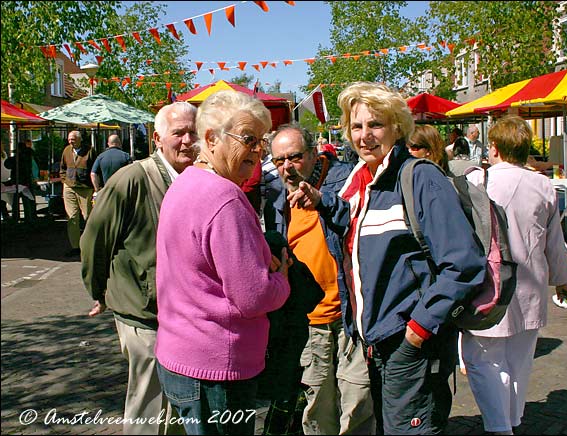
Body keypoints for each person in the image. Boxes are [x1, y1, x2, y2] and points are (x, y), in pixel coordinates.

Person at [287, 81, 487, 434]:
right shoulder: (360, 181)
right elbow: (358, 224)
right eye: (357, 126)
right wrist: (322, 202)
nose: (365, 135)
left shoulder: (420, 178)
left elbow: (463, 264)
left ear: (397, 126)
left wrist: (417, 331)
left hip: (409, 345)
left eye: (375, 124)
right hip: (374, 344)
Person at [154, 90, 291, 436]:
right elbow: (253, 297)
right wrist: (282, 278)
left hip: (180, 357)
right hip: (216, 369)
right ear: (212, 138)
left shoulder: (185, 183)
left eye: (261, 141)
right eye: (248, 139)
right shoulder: (224, 197)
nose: (258, 150)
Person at [80, 101, 199, 435]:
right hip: (144, 314)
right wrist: (97, 290)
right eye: (179, 133)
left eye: (194, 132)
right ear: (158, 139)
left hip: (182, 314)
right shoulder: (132, 179)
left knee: (179, 404)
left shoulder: (198, 177)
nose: (188, 140)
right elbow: (94, 240)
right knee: (150, 406)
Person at [461, 114, 567, 436]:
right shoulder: (543, 184)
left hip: (491, 285)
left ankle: (500, 425)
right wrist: (562, 280)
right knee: (519, 360)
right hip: (531, 285)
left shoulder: (479, 181)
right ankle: (511, 418)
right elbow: (555, 241)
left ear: (493, 147)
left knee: (483, 358)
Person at [267, 124, 375, 435]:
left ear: (314, 154)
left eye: (295, 157)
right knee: (317, 405)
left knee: (356, 401)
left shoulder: (347, 181)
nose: (287, 166)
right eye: (279, 160)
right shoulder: (276, 195)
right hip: (310, 321)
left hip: (349, 317)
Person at [60, 130, 96, 256]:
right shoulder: (66, 150)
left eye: (73, 139)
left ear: (80, 139)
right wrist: (64, 180)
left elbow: (94, 169)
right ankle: (75, 246)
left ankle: (88, 244)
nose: (70, 141)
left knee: (87, 216)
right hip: (69, 186)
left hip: (85, 188)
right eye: (69, 139)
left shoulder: (89, 151)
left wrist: (94, 187)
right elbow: (62, 167)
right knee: (72, 217)